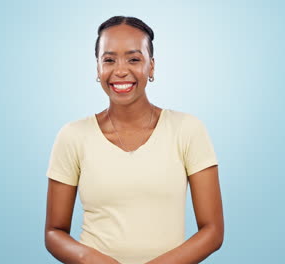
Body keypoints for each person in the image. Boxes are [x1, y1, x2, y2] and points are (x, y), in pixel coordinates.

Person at [44, 16, 224, 264]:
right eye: (108, 60)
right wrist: (88, 258)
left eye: (134, 59)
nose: (120, 70)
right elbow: (54, 232)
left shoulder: (188, 130)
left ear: (151, 66)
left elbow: (213, 231)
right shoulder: (73, 136)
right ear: (97, 68)